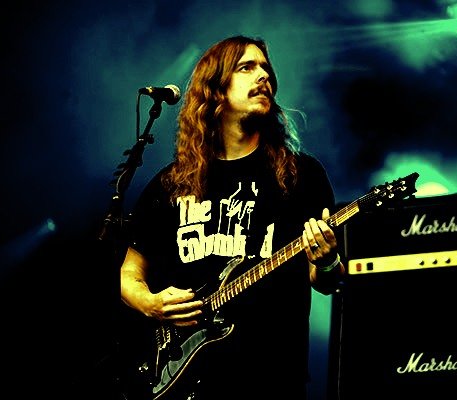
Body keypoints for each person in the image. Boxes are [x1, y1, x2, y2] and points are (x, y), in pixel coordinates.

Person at [118, 35, 345, 400]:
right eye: (246, 67)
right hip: (185, 380)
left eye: (265, 68)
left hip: (272, 379)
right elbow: (130, 272)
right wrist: (150, 303)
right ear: (216, 90)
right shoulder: (171, 183)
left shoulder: (301, 175)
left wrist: (327, 259)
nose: (263, 76)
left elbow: (327, 281)